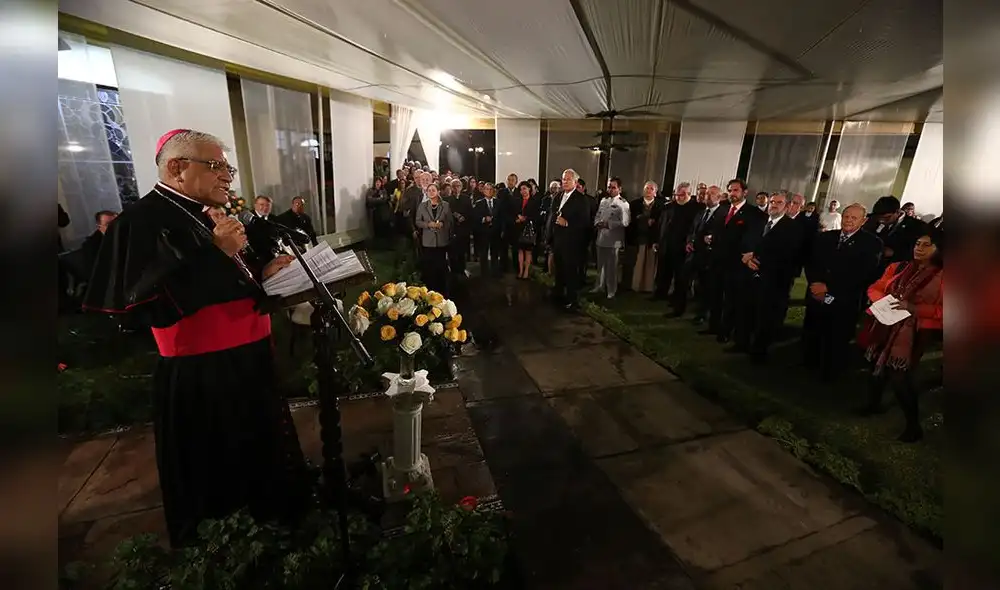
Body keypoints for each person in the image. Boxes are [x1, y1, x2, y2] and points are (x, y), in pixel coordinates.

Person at [82, 129, 311, 546]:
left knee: (259, 444)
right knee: (219, 461)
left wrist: (263, 272)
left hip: (249, 355)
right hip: (203, 369)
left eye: (228, 167)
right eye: (216, 166)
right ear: (177, 167)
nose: (227, 175)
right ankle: (229, 545)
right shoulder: (140, 222)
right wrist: (216, 253)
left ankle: (273, 517)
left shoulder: (206, 213)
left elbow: (219, 282)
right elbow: (148, 305)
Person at [856, 231, 943, 442]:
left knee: (900, 376)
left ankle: (913, 426)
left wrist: (913, 308)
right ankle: (873, 404)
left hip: (915, 332)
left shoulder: (944, 276)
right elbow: (875, 288)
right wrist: (886, 300)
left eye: (927, 245)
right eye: (917, 243)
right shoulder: (899, 267)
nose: (919, 248)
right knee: (875, 365)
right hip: (885, 323)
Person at [802, 203, 883, 380]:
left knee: (836, 338)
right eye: (846, 216)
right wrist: (816, 284)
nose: (848, 220)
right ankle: (808, 364)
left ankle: (830, 373)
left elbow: (865, 274)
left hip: (844, 300)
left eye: (854, 218)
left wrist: (829, 289)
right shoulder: (825, 237)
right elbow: (811, 262)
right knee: (813, 330)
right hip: (816, 295)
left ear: (863, 221)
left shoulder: (872, 244)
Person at [548, 169, 591, 310]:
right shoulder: (558, 196)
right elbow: (552, 216)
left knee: (571, 271)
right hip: (558, 239)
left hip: (572, 242)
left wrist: (567, 223)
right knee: (559, 269)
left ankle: (572, 299)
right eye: (563, 179)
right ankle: (558, 294)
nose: (565, 182)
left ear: (575, 182)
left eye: (568, 179)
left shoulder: (581, 199)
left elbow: (584, 222)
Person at [415, 183, 452, 294]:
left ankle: (442, 291)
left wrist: (442, 224)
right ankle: (430, 291)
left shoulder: (445, 205)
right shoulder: (422, 206)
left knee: (441, 266)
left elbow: (450, 221)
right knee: (429, 267)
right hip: (428, 241)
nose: (431, 192)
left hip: (441, 240)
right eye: (429, 190)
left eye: (433, 190)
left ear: (438, 192)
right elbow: (418, 221)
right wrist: (428, 224)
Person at [511, 181, 541, 279]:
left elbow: (536, 216)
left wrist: (526, 218)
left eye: (524, 188)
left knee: (528, 251)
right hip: (518, 228)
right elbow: (513, 213)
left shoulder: (535, 201)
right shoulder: (517, 201)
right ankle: (520, 271)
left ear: (529, 189)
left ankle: (526, 271)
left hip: (529, 229)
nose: (523, 191)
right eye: (521, 189)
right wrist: (517, 218)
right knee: (520, 250)